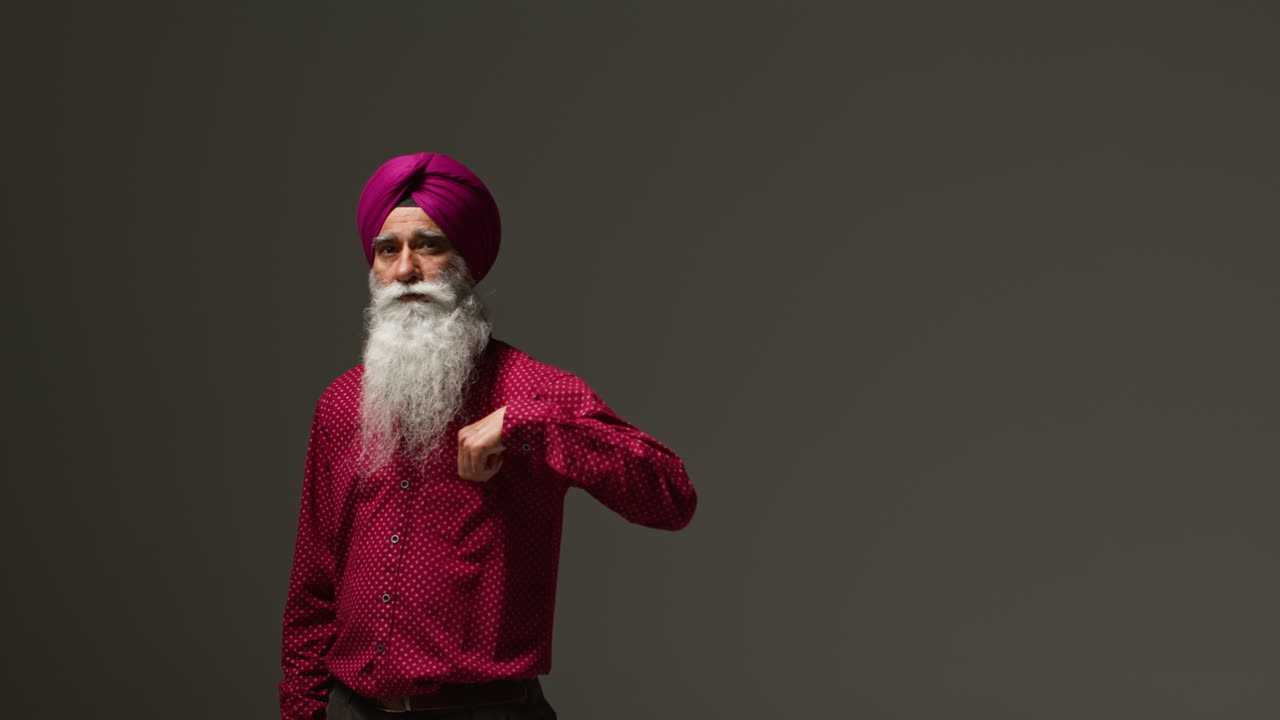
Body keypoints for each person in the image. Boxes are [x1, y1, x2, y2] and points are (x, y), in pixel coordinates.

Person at [278, 152, 698, 719]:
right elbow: (314, 584)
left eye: (429, 245)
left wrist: (527, 425)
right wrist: (301, 710)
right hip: (355, 707)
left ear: (466, 260)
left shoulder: (535, 390)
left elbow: (670, 497)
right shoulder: (340, 403)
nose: (405, 270)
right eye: (387, 250)